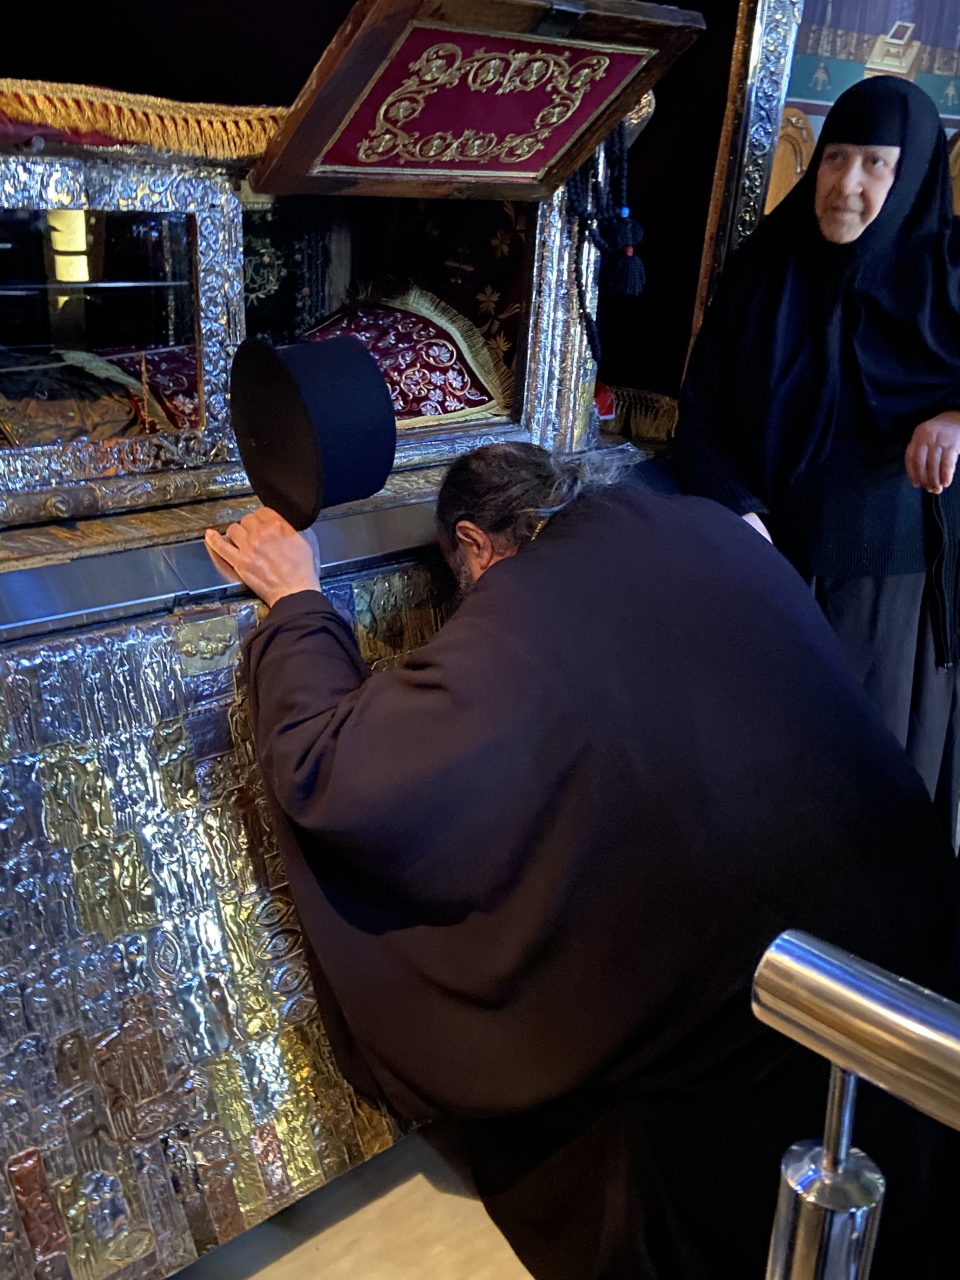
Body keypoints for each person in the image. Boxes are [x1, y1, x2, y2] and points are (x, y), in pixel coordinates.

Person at [205, 443, 956, 1278]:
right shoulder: (708, 527)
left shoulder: (525, 602)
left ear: (475, 544)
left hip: (762, 1084)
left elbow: (339, 771)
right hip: (915, 988)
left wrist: (297, 604)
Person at [674, 76, 960, 850]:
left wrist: (954, 418)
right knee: (760, 788)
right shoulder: (767, 269)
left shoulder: (946, 278)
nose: (846, 185)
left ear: (912, 176)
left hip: (885, 592)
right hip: (766, 567)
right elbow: (700, 413)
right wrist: (736, 509)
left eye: (875, 164)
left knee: (866, 793)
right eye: (836, 158)